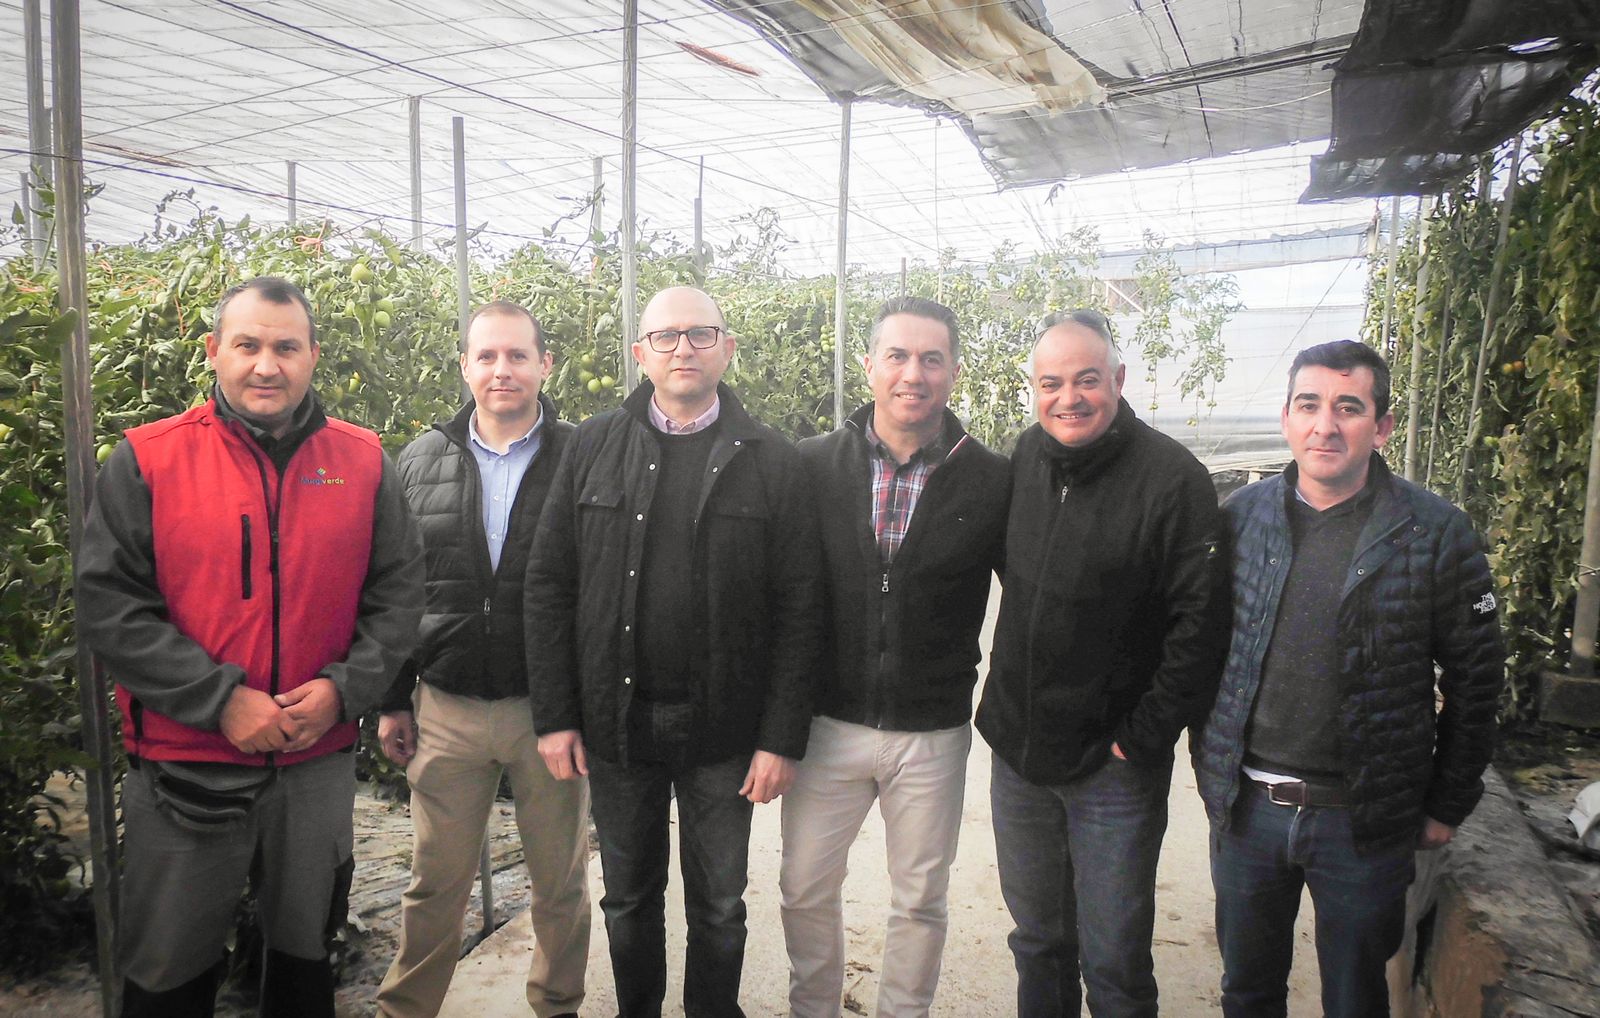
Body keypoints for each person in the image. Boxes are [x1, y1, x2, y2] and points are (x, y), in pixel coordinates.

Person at [76, 276, 424, 1018]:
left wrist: (342, 690)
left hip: (314, 760)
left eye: (286, 348)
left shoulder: (362, 461)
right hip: (185, 767)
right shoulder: (149, 459)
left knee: (304, 956)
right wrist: (221, 700)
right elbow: (111, 605)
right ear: (213, 351)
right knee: (169, 967)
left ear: (313, 357)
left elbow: (398, 595)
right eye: (247, 345)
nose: (267, 365)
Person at [524, 285, 822, 1018]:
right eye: (665, 336)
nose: (683, 348)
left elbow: (800, 609)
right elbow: (549, 583)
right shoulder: (593, 445)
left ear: (727, 348)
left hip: (724, 727)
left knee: (719, 902)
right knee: (629, 897)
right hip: (618, 721)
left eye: (700, 334)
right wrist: (556, 717)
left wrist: (780, 738)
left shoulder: (773, 460)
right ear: (640, 353)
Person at [1193, 340, 1504, 1018]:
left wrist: (1447, 803)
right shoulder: (1242, 519)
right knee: (1247, 991)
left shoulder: (1434, 533)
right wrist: (1211, 769)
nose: (1325, 426)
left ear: (1382, 426)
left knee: (1356, 999)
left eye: (1349, 408)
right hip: (1249, 810)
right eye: (1308, 405)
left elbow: (1477, 679)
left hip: (1363, 822)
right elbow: (1205, 647)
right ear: (1286, 418)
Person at [975, 309, 1230, 1018]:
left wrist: (1141, 738)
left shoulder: (1172, 480)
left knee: (1114, 962)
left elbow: (1200, 626)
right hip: (1019, 755)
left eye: (1086, 379)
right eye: (1051, 383)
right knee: (1037, 941)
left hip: (1112, 767)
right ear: (1033, 389)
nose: (1069, 398)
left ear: (1118, 378)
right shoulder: (1026, 457)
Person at [780, 296, 1009, 1017]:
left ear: (954, 372)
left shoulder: (991, 480)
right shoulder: (813, 465)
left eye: (931, 359)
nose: (914, 374)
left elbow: (1037, 594)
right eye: (898, 356)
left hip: (931, 731)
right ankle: (813, 1007)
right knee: (804, 888)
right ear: (869, 366)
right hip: (829, 724)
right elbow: (780, 594)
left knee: (919, 900)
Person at [375, 301, 590, 1018]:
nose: (503, 370)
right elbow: (398, 586)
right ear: (465, 365)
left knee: (558, 881)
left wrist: (586, 704)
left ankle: (556, 1004)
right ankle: (407, 1009)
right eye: (488, 356)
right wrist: (392, 697)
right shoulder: (421, 459)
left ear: (544, 365)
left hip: (548, 710)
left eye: (518, 355)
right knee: (435, 881)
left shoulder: (580, 457)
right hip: (448, 706)